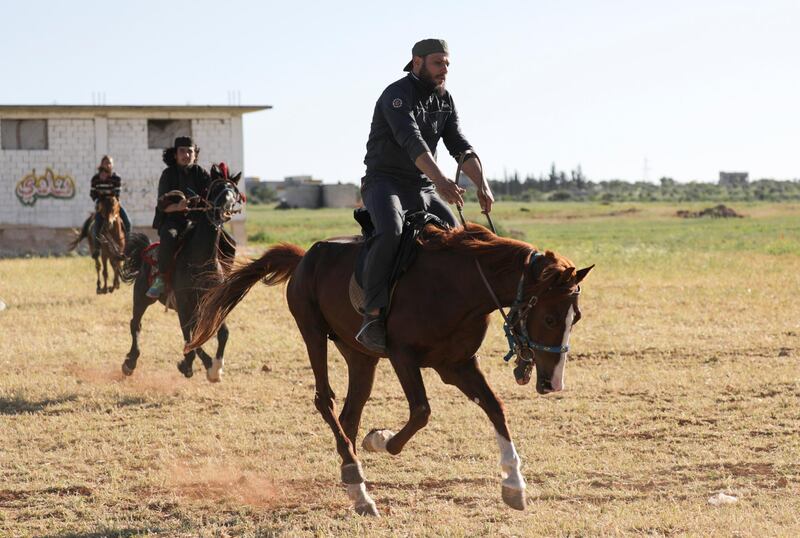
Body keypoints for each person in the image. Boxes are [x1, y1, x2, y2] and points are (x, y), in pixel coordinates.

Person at [356, 38, 494, 353]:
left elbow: (458, 144)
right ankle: (373, 315)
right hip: (384, 182)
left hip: (422, 186)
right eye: (437, 63)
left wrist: (482, 185)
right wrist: (443, 180)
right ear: (417, 62)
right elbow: (412, 142)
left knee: (455, 238)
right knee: (390, 232)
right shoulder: (396, 96)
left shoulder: (444, 99)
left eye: (447, 64)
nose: (444, 70)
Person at [146, 136, 210, 298]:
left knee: (223, 238)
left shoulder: (201, 173)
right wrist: (177, 207)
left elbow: (211, 195)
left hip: (197, 220)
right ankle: (161, 278)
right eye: (182, 151)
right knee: (169, 236)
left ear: (195, 154)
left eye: (190, 151)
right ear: (175, 154)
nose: (186, 155)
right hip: (173, 220)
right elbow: (162, 204)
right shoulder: (168, 174)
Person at [90, 155, 131, 257]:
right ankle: (97, 248)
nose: (107, 165)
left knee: (128, 223)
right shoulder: (95, 178)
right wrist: (99, 199)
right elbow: (92, 193)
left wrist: (105, 192)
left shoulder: (116, 178)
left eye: (109, 163)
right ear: (102, 164)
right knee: (96, 226)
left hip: (113, 205)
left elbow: (116, 194)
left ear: (112, 165)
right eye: (105, 163)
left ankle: (128, 248)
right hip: (102, 205)